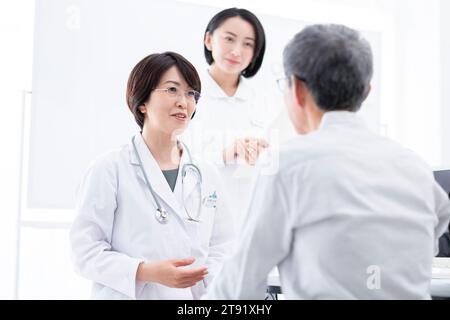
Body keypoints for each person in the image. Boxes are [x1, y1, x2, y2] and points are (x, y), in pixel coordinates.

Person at [205, 24, 450, 300]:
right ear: (366, 91)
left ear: (296, 89)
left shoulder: (288, 166)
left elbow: (237, 289)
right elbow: (437, 223)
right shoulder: (413, 165)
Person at [70, 52, 234, 300]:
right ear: (142, 102)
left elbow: (223, 246)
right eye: (172, 89)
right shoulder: (109, 169)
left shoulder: (206, 173)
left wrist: (209, 292)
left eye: (191, 94)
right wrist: (145, 271)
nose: (184, 102)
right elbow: (84, 251)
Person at [183, 8, 278, 232]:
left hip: (249, 218)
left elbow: (276, 160)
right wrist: (224, 154)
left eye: (248, 44)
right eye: (229, 39)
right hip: (197, 217)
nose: (237, 51)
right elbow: (172, 160)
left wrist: (265, 152)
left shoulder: (265, 100)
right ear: (209, 39)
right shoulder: (185, 94)